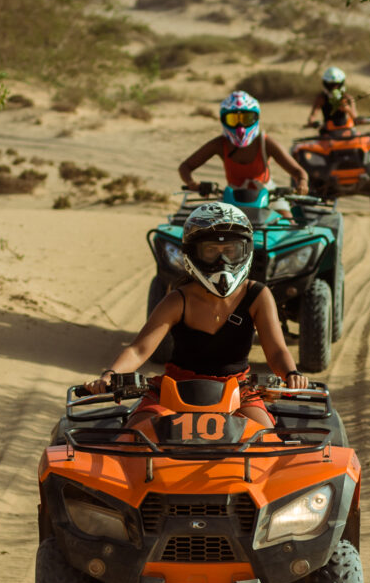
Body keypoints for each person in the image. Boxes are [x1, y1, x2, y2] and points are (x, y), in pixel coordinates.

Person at [84, 202, 309, 427]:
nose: (222, 261)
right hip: (175, 388)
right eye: (210, 251)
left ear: (246, 251)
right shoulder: (178, 299)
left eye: (230, 251)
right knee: (138, 432)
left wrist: (291, 373)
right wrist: (110, 375)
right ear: (193, 254)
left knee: (265, 435)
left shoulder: (257, 295)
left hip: (238, 390)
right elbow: (138, 349)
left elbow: (277, 350)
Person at [179, 91, 309, 200]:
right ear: (224, 120)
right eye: (233, 120)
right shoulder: (220, 144)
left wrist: (302, 183)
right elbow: (185, 167)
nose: (240, 127)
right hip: (232, 198)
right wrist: (192, 183)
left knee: (288, 222)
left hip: (267, 196)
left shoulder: (265, 142)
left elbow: (298, 171)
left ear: (256, 118)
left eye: (246, 119)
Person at [306, 66, 357, 132]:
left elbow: (356, 119)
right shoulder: (321, 98)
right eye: (331, 85)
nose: (334, 88)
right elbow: (312, 116)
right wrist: (314, 123)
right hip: (328, 132)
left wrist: (347, 109)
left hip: (346, 131)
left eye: (336, 85)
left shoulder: (348, 98)